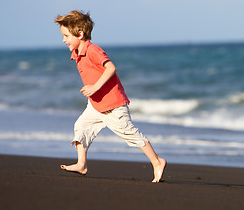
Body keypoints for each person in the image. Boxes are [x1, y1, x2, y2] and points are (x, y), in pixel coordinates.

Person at [54, 10, 166, 182]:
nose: (63, 40)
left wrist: (94, 87)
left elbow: (111, 68)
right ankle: (81, 164)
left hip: (113, 105)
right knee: (81, 126)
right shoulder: (77, 53)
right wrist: (93, 92)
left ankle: (157, 161)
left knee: (130, 133)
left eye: (66, 36)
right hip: (96, 104)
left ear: (80, 34)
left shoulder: (93, 50)